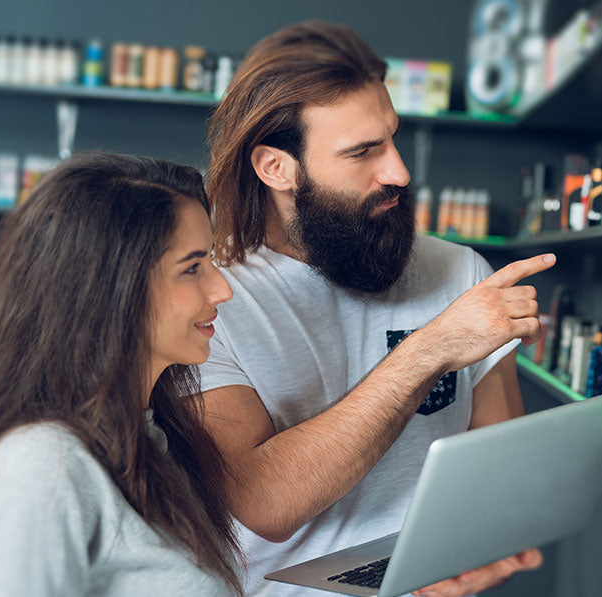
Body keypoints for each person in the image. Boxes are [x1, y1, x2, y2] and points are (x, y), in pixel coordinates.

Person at [201, 21, 552, 597]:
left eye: (392, 138)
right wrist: (432, 348)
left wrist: (478, 556)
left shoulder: (461, 273)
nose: (399, 173)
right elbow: (263, 500)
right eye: (363, 152)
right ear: (275, 169)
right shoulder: (212, 299)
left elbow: (496, 473)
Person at [0, 151, 242, 596]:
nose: (223, 289)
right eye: (192, 268)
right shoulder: (45, 465)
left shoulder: (158, 434)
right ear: (111, 288)